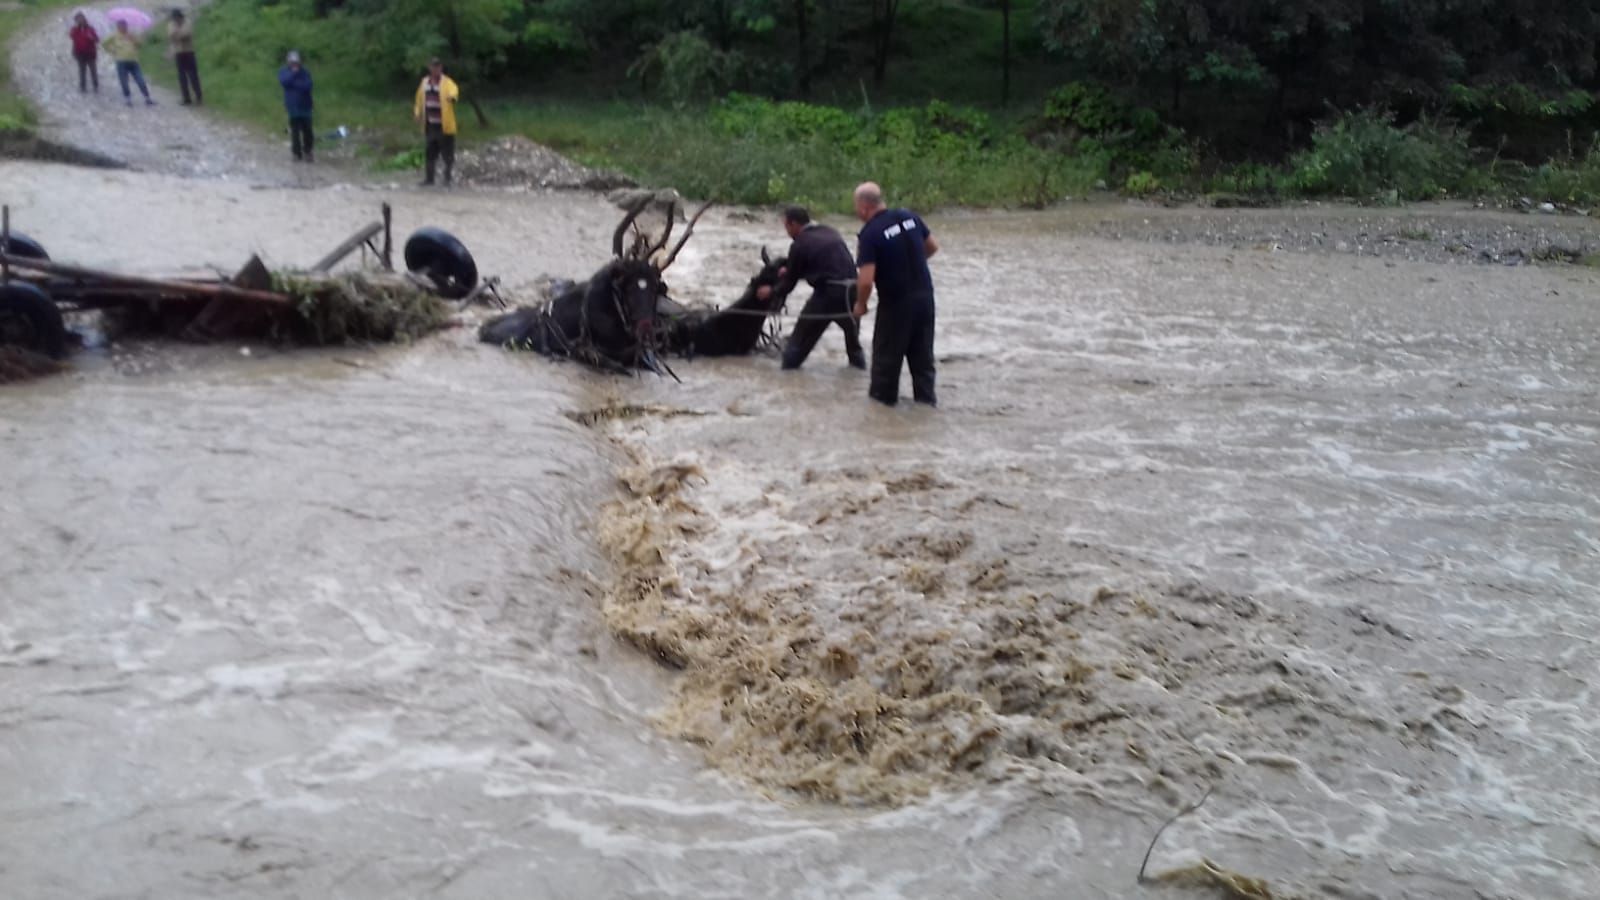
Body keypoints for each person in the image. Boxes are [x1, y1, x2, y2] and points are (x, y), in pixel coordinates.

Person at [852, 182, 940, 407]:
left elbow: (866, 281)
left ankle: (882, 417)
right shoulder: (909, 216)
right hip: (925, 299)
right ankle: (926, 406)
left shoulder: (870, 234)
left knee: (885, 367)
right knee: (923, 362)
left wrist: (861, 305)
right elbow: (931, 247)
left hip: (896, 305)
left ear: (864, 207)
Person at [756, 206, 866, 370]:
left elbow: (789, 283)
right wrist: (793, 269)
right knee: (853, 343)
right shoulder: (830, 232)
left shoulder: (800, 244)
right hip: (852, 292)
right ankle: (859, 376)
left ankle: (786, 377)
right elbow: (827, 264)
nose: (787, 231)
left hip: (828, 296)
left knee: (798, 344)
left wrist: (771, 291)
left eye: (786, 226)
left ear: (793, 224)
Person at [413, 58, 459, 186]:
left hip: (445, 125)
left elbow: (454, 91)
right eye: (434, 67)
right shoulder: (424, 83)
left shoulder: (447, 82)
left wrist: (452, 97)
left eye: (438, 67)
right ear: (429, 68)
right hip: (430, 124)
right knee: (430, 152)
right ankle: (429, 179)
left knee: (448, 154)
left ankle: (447, 179)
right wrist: (417, 113)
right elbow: (418, 101)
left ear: (441, 68)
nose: (436, 69)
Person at [103, 20, 154, 107]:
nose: (123, 28)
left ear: (127, 26)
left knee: (140, 79)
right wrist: (112, 50)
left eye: (124, 26)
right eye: (120, 26)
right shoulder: (114, 35)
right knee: (124, 80)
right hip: (121, 61)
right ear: (118, 27)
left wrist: (133, 39)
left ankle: (147, 98)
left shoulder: (131, 34)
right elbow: (104, 43)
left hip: (133, 61)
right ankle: (128, 98)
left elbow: (140, 45)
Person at [278, 51, 314, 162]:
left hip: (305, 105)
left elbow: (308, 86)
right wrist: (294, 75)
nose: (294, 64)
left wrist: (294, 84)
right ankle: (296, 153)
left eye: (296, 62)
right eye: (292, 62)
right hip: (292, 106)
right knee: (295, 131)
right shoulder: (284, 71)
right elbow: (284, 82)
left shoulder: (305, 72)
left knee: (308, 130)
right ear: (288, 62)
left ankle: (308, 151)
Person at [167, 10, 201, 106]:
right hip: (178, 53)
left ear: (180, 17)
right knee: (182, 77)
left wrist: (176, 34)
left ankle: (198, 96)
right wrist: (178, 34)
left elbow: (187, 34)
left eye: (176, 17)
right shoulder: (171, 24)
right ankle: (186, 98)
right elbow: (170, 35)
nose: (175, 19)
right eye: (174, 18)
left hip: (189, 52)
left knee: (193, 76)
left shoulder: (187, 22)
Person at [68, 12, 99, 94]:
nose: (80, 21)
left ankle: (95, 85)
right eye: (78, 19)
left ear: (85, 19)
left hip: (90, 53)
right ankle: (83, 86)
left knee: (93, 70)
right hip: (79, 53)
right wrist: (76, 29)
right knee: (82, 70)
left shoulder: (90, 29)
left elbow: (97, 39)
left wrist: (92, 38)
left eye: (81, 19)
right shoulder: (74, 30)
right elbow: (71, 36)